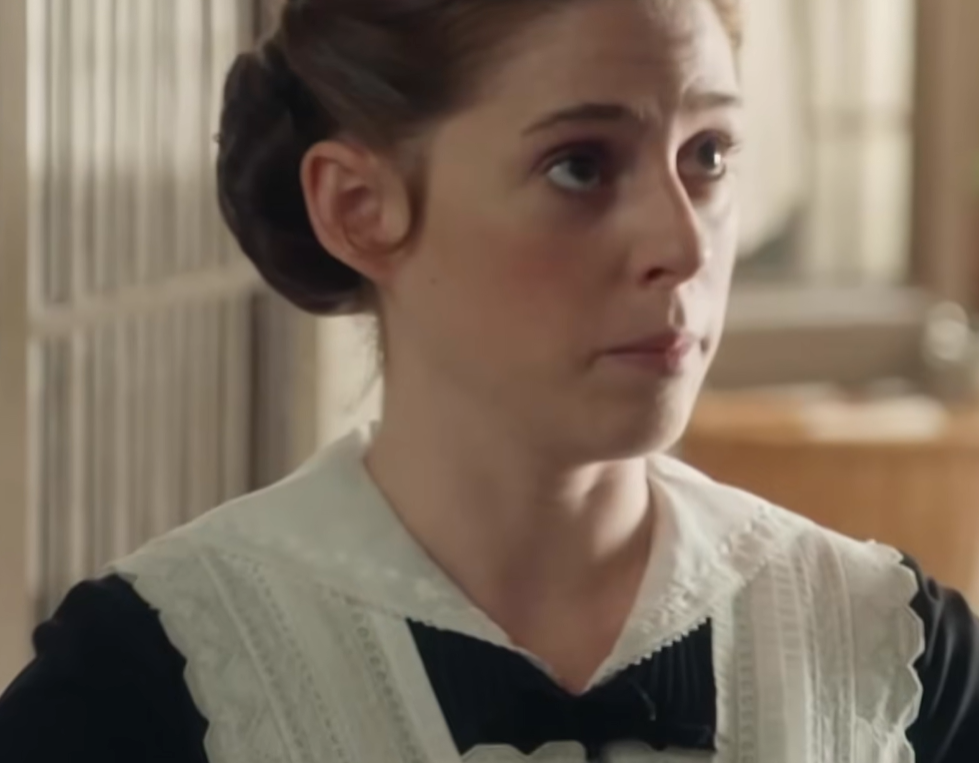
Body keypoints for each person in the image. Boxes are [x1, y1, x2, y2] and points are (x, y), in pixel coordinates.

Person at [2, 0, 978, 760]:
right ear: (358, 207)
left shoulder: (891, 658)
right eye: (579, 166)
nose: (682, 245)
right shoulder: (151, 680)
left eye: (706, 154)